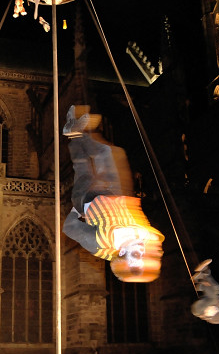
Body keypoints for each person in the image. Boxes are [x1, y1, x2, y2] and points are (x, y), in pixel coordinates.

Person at [61, 105, 164, 283]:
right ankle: (77, 132)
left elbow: (69, 228)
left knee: (84, 165)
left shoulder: (100, 244)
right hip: (117, 193)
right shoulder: (145, 238)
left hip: (89, 197)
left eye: (136, 254)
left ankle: (74, 135)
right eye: (145, 255)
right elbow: (157, 239)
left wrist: (78, 210)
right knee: (108, 152)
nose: (143, 250)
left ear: (122, 252)